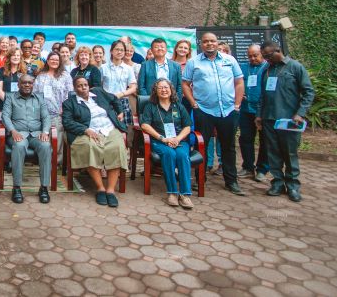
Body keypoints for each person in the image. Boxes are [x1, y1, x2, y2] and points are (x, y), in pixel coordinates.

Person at [182, 32, 245, 196]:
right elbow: (185, 84)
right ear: (201, 44)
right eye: (205, 41)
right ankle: (200, 179)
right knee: (201, 145)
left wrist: (237, 105)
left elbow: (239, 82)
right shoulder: (193, 62)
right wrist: (194, 104)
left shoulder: (229, 60)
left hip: (228, 110)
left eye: (212, 41)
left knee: (229, 147)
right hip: (204, 110)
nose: (209, 44)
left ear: (217, 43)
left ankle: (231, 181)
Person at [256, 41, 315, 202]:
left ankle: (293, 185)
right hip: (269, 119)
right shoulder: (267, 70)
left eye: (268, 55)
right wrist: (259, 115)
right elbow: (262, 95)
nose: (266, 59)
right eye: (265, 56)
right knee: (273, 152)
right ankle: (277, 183)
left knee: (289, 153)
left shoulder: (295, 67)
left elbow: (308, 92)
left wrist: (300, 113)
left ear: (278, 50)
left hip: (289, 120)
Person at [62, 76, 128, 208]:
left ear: (88, 85)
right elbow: (67, 122)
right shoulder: (69, 103)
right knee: (90, 147)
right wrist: (85, 130)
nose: (83, 87)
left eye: (85, 84)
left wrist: (120, 112)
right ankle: (100, 188)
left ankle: (110, 190)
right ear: (75, 88)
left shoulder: (98, 92)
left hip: (109, 128)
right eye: (79, 85)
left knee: (116, 147)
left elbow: (115, 99)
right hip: (87, 131)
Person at [140, 79, 195, 208]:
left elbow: (187, 127)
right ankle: (172, 193)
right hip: (160, 141)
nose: (164, 90)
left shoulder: (179, 106)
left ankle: (185, 195)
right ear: (155, 91)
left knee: (182, 156)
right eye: (160, 88)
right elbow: (145, 125)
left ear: (171, 90)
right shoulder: (150, 106)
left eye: (166, 87)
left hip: (179, 141)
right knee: (169, 154)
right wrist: (162, 139)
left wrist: (178, 139)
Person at [2, 74, 52, 204]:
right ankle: (17, 188)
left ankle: (44, 188)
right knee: (19, 146)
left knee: (46, 146)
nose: (27, 85)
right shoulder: (10, 98)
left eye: (30, 83)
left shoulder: (39, 98)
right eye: (24, 83)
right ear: (18, 84)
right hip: (18, 133)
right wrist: (13, 131)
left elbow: (46, 117)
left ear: (33, 84)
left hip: (36, 134)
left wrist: (45, 132)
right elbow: (5, 117)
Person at [33, 52, 74, 167]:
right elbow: (35, 93)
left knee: (58, 137)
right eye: (52, 59)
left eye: (57, 59)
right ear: (48, 61)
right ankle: (44, 161)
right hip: (43, 112)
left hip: (58, 112)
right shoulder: (41, 75)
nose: (54, 61)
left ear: (60, 61)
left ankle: (56, 162)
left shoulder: (65, 75)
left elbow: (69, 93)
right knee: (44, 137)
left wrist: (63, 108)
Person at [238, 44, 269, 182]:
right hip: (245, 109)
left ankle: (262, 169)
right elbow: (236, 82)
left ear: (262, 54)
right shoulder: (244, 67)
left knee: (265, 141)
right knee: (245, 139)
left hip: (263, 110)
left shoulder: (268, 68)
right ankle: (248, 167)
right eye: (250, 55)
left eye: (255, 55)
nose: (252, 58)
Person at [101, 40, 138, 132]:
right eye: (117, 49)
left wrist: (122, 93)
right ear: (111, 51)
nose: (119, 52)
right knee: (107, 129)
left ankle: (126, 146)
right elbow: (98, 86)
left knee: (124, 130)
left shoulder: (128, 69)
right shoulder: (103, 67)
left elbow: (133, 87)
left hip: (122, 101)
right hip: (107, 102)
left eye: (122, 50)